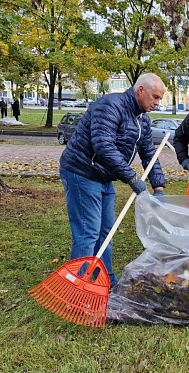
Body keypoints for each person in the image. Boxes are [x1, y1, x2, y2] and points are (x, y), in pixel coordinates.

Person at [59, 73, 167, 286]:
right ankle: (77, 286)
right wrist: (132, 177)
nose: (157, 103)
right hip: (82, 172)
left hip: (104, 177)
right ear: (141, 90)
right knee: (87, 232)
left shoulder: (142, 119)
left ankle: (104, 280)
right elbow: (103, 146)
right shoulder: (109, 106)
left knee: (106, 232)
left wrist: (159, 186)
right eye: (155, 97)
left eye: (160, 99)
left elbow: (148, 153)